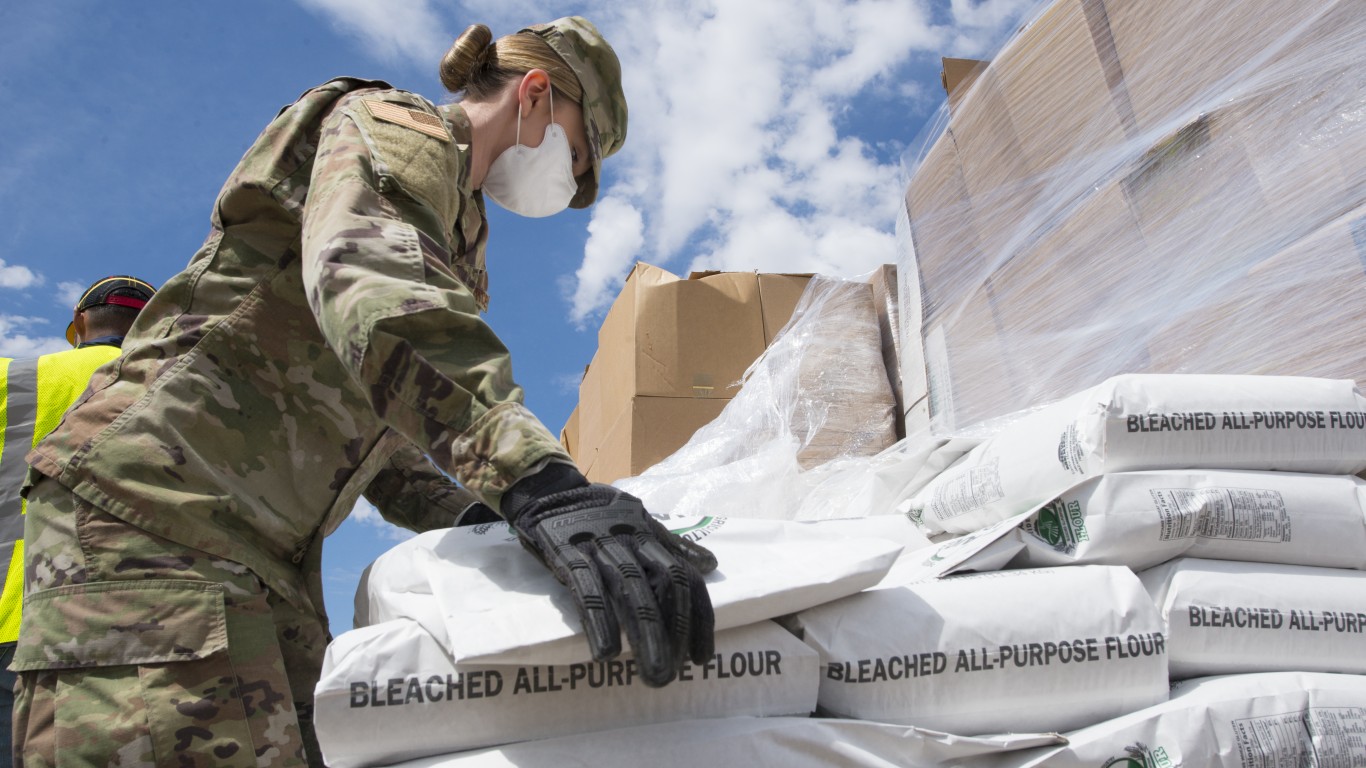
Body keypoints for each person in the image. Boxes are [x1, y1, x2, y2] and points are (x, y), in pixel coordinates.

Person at [13, 16, 715, 768]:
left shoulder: (455, 227)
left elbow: (386, 438)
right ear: (536, 95)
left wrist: (489, 520)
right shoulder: (394, 124)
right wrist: (539, 483)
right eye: (575, 155)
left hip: (258, 551)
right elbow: (365, 280)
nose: (569, 181)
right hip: (155, 518)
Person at [0, 276, 156, 767]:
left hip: (15, 622)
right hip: (150, 633)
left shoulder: (13, 377)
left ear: (79, 320)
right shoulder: (192, 386)